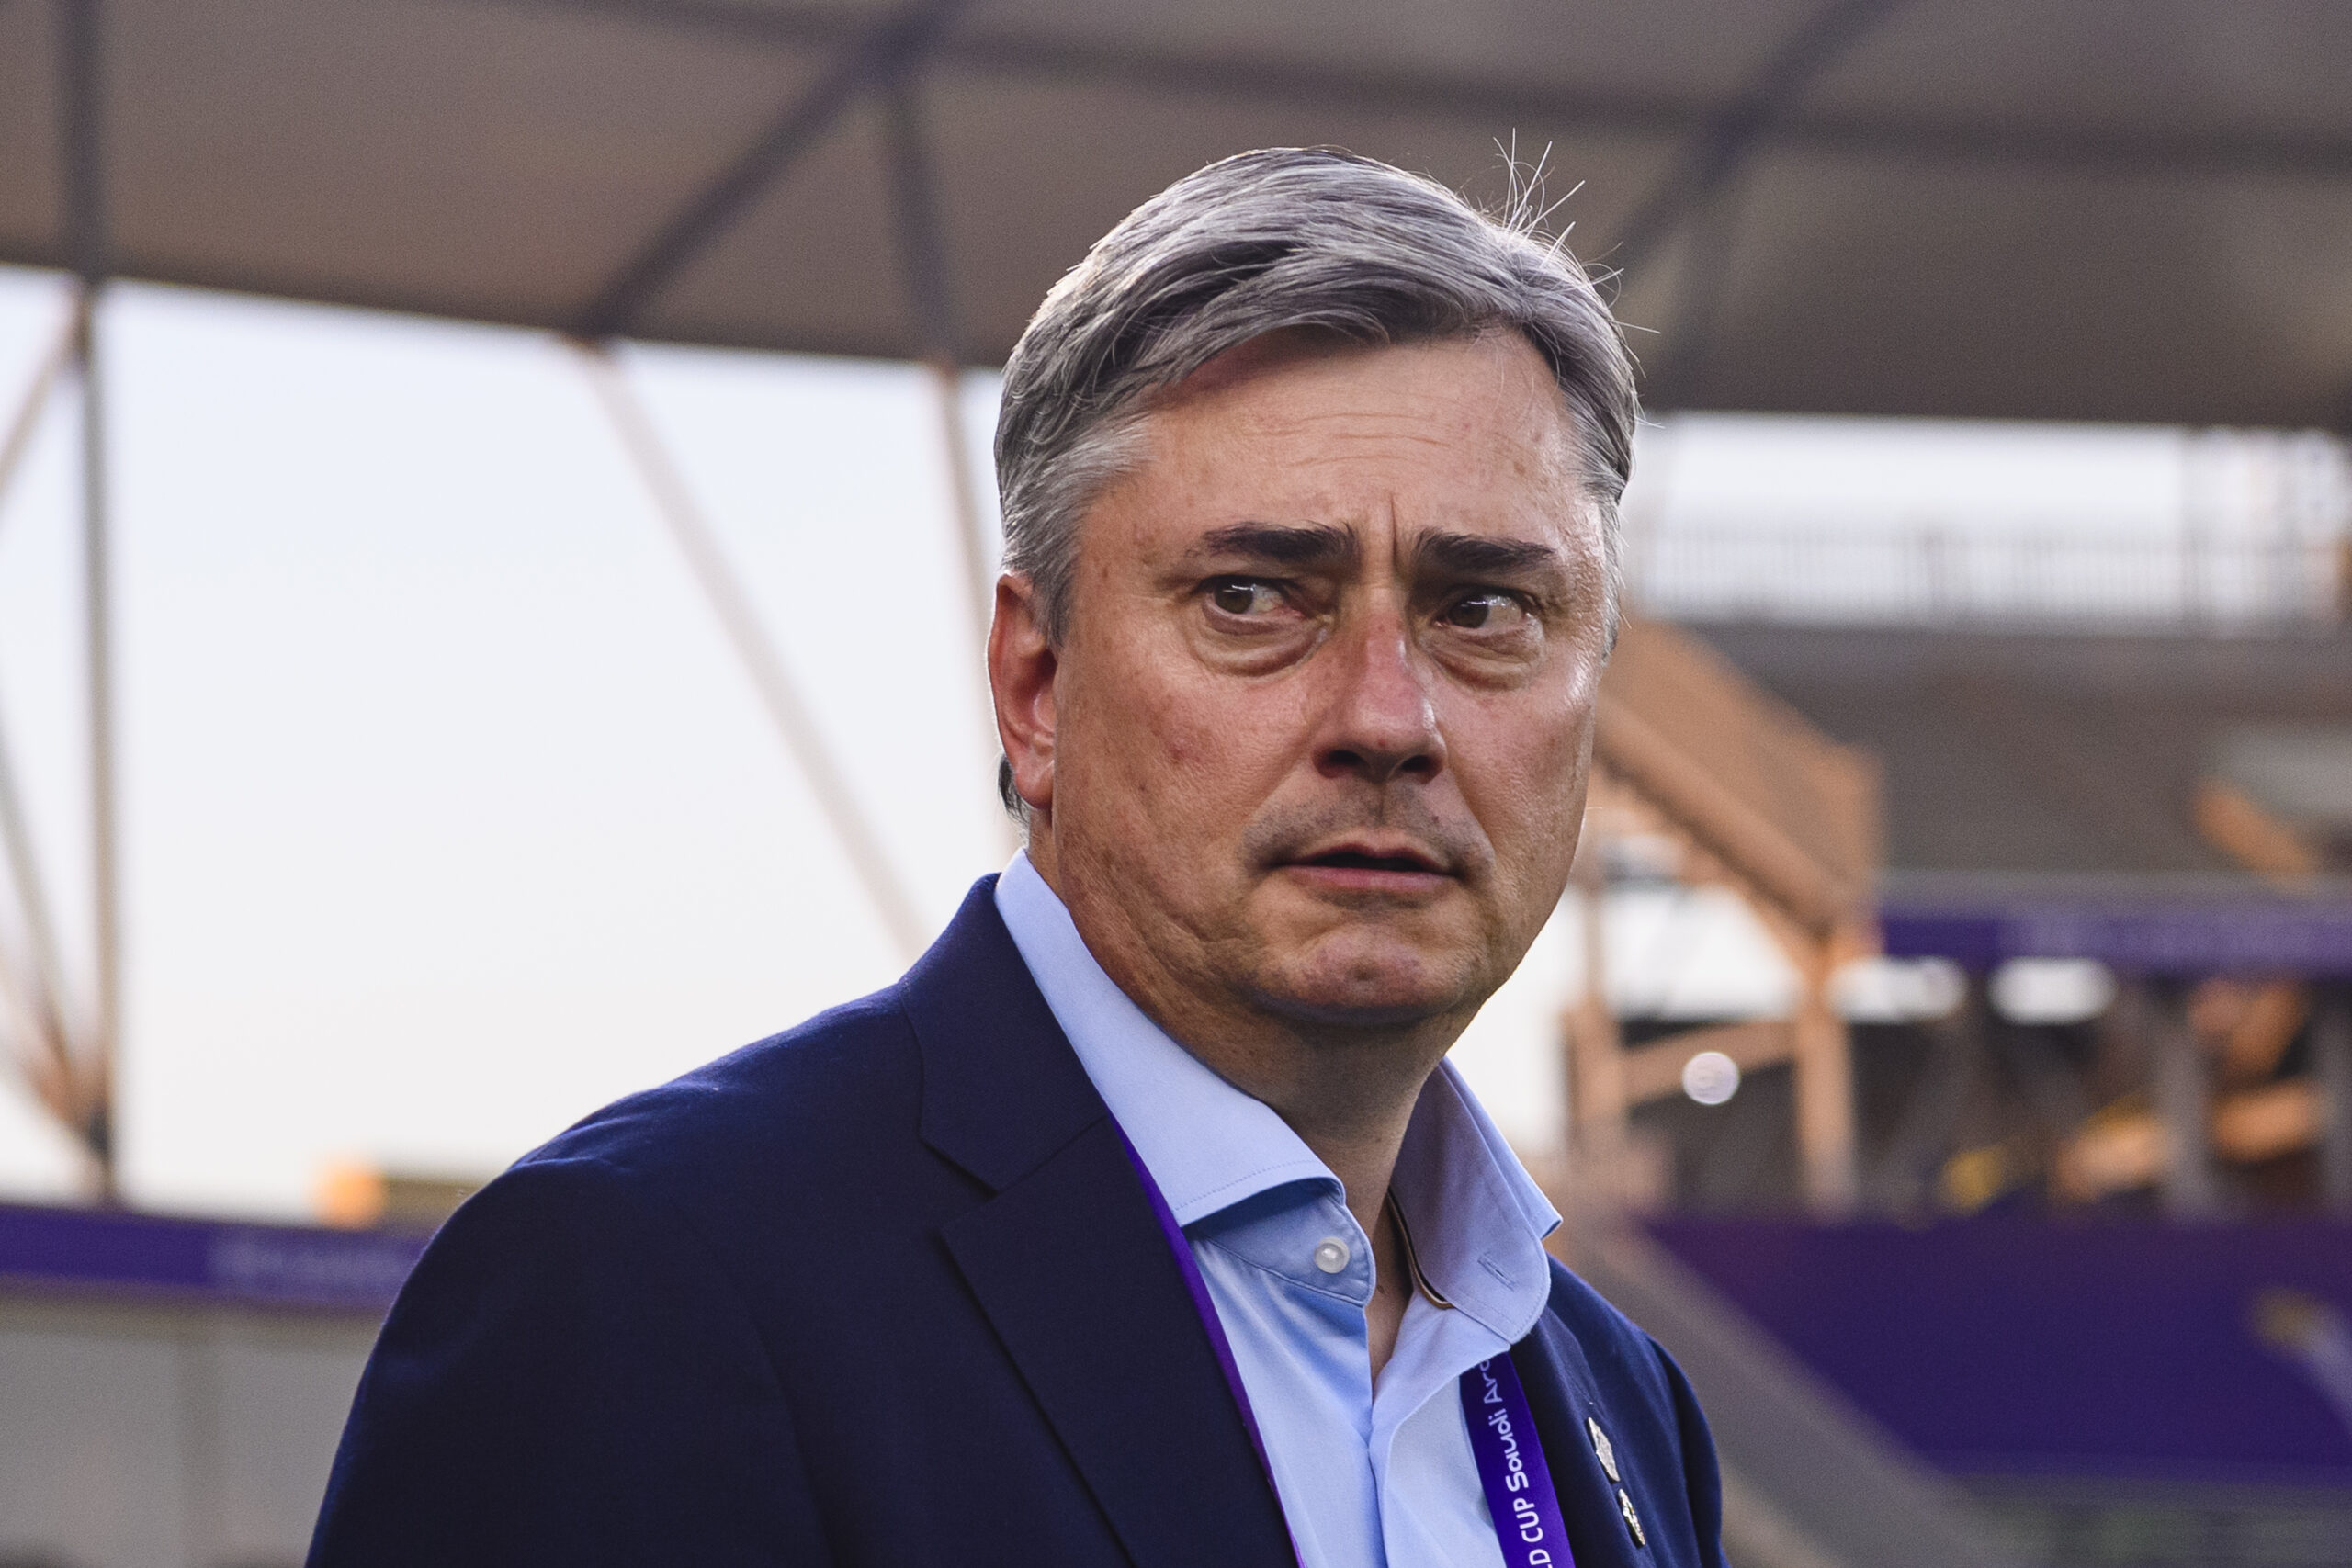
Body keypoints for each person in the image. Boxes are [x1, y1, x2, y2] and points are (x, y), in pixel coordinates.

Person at [308, 147, 1725, 1568]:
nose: (1386, 720)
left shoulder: (1628, 1412)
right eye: (1252, 598)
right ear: (1036, 687)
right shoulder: (641, 1290)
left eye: (1483, 610)